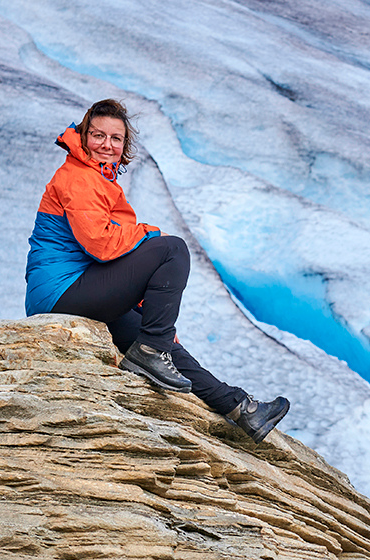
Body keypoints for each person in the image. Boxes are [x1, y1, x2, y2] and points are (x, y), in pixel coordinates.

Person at [24, 99, 289, 443]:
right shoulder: (79, 178)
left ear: (124, 146)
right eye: (98, 135)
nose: (107, 144)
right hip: (61, 293)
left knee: (164, 347)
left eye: (115, 139)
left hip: (79, 291)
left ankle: (241, 409)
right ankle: (151, 352)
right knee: (172, 250)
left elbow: (113, 267)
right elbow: (101, 245)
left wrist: (156, 326)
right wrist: (151, 235)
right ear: (84, 137)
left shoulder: (98, 180)